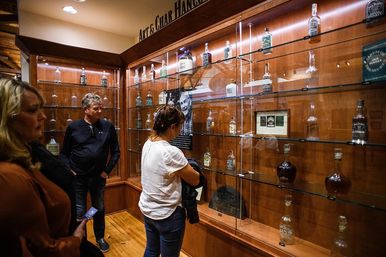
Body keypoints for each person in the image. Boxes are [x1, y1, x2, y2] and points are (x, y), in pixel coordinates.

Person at [0, 77, 87, 257]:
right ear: (6, 118)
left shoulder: (24, 158)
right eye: (33, 110)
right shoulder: (9, 176)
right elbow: (40, 249)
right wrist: (76, 239)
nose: (43, 116)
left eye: (41, 108)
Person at [60, 92, 120, 253]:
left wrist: (107, 171)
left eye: (101, 108)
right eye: (96, 108)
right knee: (79, 211)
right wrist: (69, 170)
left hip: (97, 179)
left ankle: (99, 237)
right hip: (77, 178)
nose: (100, 111)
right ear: (86, 110)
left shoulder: (108, 127)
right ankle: (82, 240)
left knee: (98, 208)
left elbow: (116, 152)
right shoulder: (73, 127)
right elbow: (63, 153)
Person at [139, 105, 200, 257]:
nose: (180, 130)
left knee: (151, 250)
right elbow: (195, 180)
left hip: (148, 208)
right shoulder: (170, 151)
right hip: (168, 213)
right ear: (172, 127)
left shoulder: (149, 143)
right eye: (180, 126)